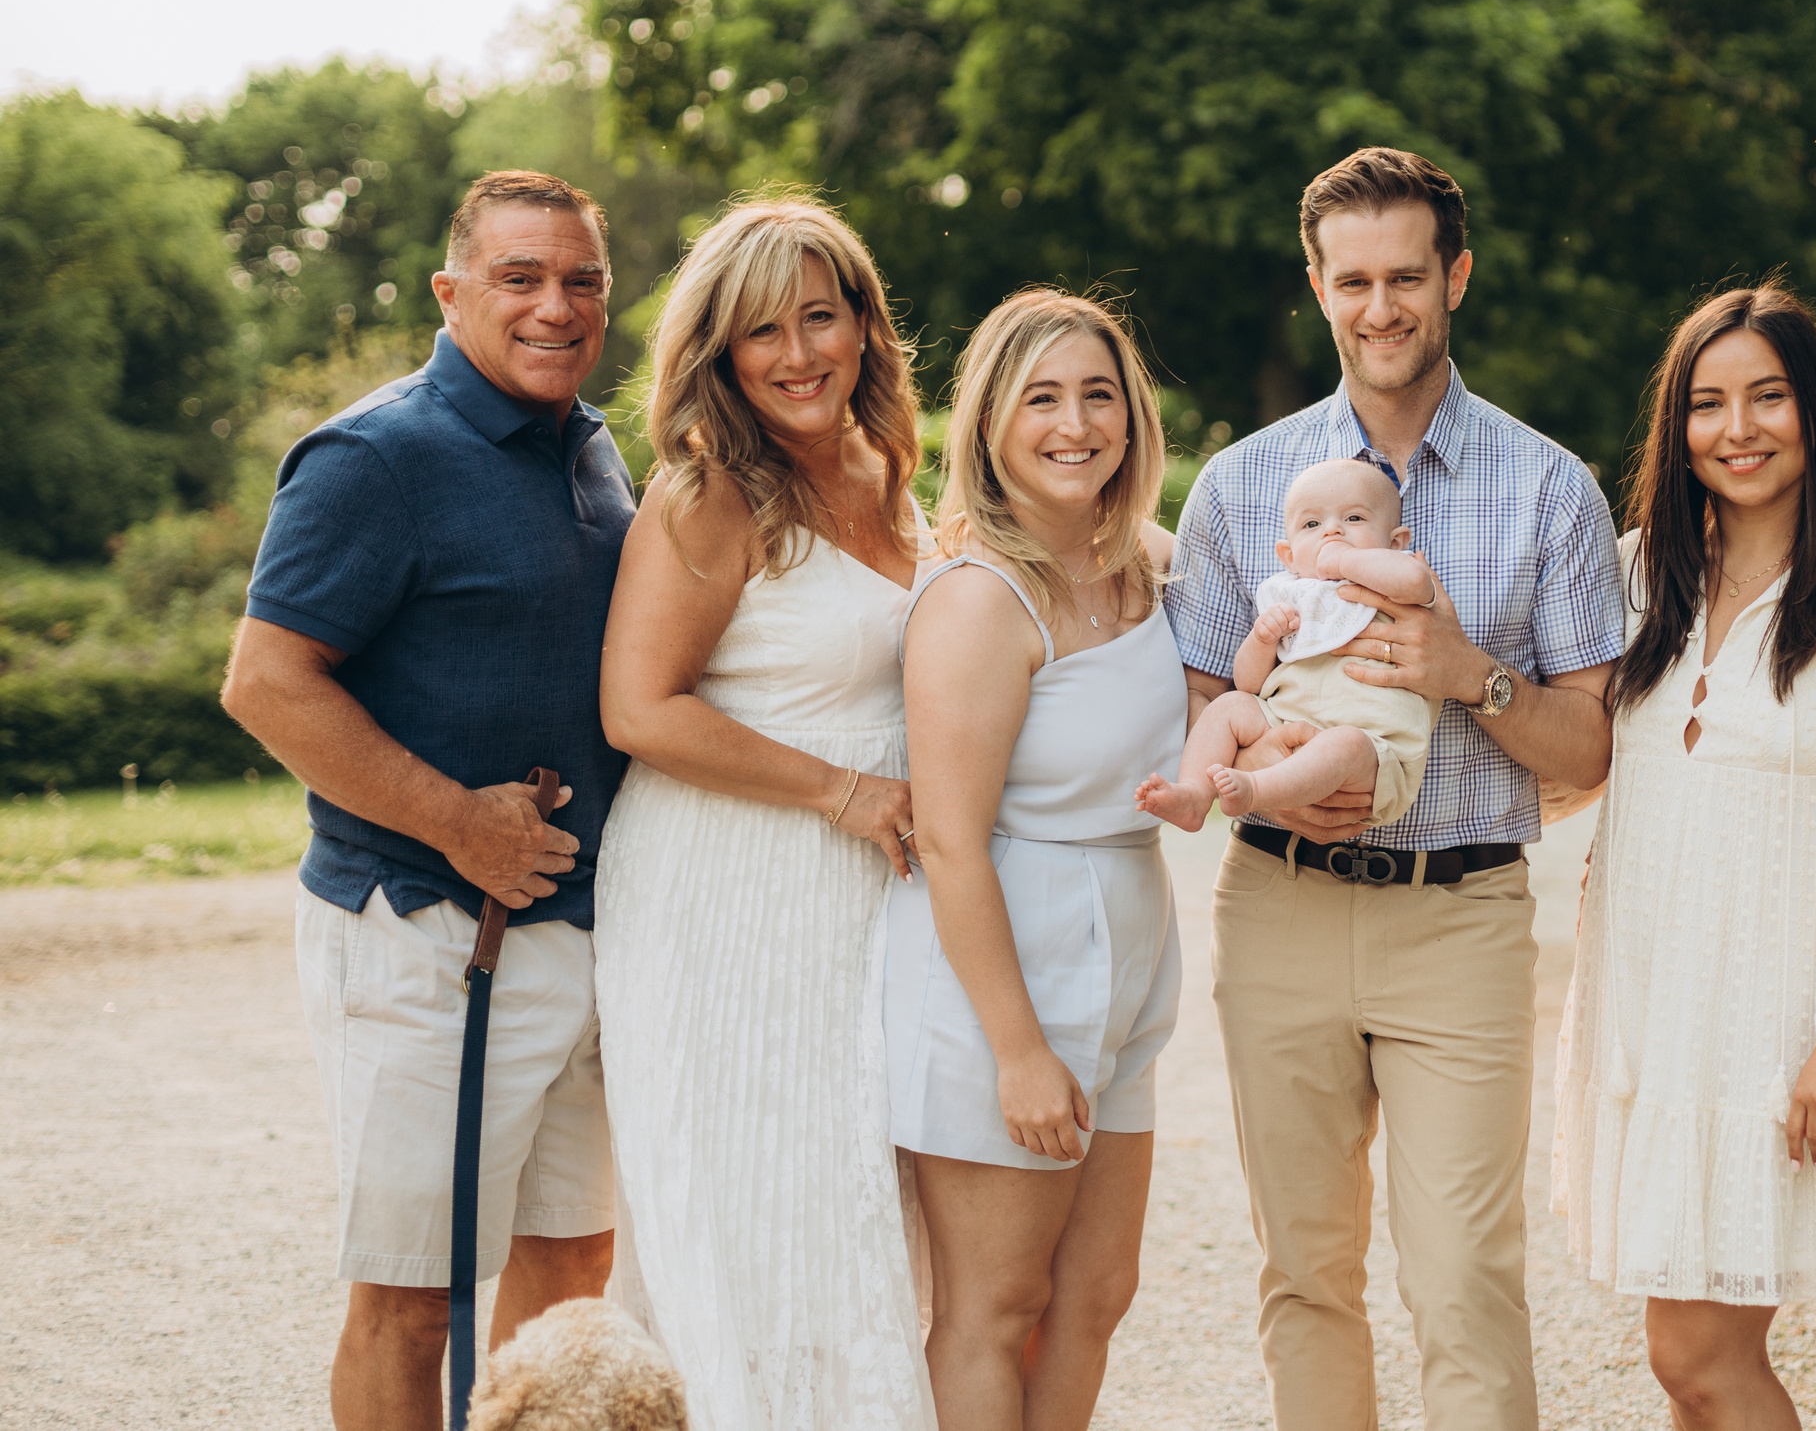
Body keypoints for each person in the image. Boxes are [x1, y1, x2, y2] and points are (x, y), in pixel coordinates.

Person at [1166, 147, 1623, 1431]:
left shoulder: (1550, 488)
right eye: (1352, 280)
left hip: (1460, 918)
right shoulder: (1242, 485)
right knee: (1304, 1277)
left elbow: (1589, 752)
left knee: (1465, 1280)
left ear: (1456, 279)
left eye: (1407, 277)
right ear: (1316, 287)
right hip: (1280, 909)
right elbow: (1209, 696)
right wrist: (1269, 774)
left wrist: (1472, 677)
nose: (1381, 308)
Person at [222, 171, 631, 1431]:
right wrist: (456, 819)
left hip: (590, 935)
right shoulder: (373, 456)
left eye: (580, 280)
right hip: (429, 933)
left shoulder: (596, 444)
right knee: (415, 1298)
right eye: (520, 278)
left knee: (571, 1273)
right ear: (452, 294)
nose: (554, 306)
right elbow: (267, 682)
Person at [1552, 285, 1816, 1429]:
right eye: (1707, 403)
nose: (1736, 428)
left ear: (1815, 412)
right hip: (1652, 1007)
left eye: (1767, 397)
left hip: (1778, 1021)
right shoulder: (1639, 574)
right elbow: (1573, 764)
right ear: (1674, 429)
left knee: (1699, 1355)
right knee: (1680, 1356)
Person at [590, 199, 934, 1430]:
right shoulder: (707, 497)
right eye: (758, 333)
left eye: (818, 318)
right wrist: (840, 789)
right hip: (723, 894)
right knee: (750, 1207)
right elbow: (640, 709)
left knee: (858, 1199)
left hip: (865, 904)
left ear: (864, 327)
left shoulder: (887, 473)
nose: (795, 355)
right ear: (720, 356)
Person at [886, 288, 1189, 1430]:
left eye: (1097, 394)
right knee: (994, 1302)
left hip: (1126, 952)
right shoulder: (977, 598)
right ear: (991, 426)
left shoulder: (1152, 568)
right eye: (1042, 399)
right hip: (1003, 971)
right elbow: (950, 839)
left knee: (1094, 1296)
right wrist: (1017, 1049)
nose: (1075, 424)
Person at [1136, 456, 1435, 831]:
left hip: (1374, 749)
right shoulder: (1291, 596)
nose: (1332, 533)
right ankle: (1195, 794)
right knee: (1231, 706)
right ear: (1290, 556)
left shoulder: (1399, 576)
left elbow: (1416, 583)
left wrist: (1347, 560)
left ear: (1396, 542)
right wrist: (1263, 640)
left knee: (1344, 744)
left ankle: (1255, 790)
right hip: (1285, 724)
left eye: (1354, 519)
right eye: (1312, 524)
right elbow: (1249, 684)